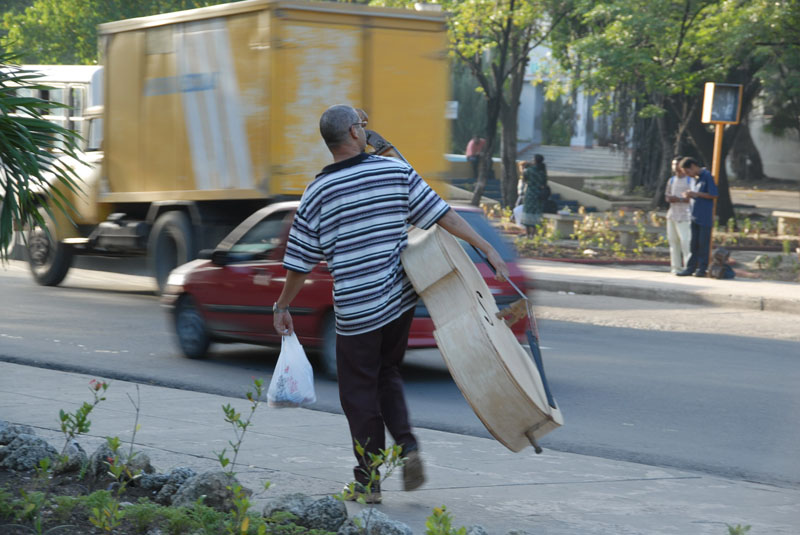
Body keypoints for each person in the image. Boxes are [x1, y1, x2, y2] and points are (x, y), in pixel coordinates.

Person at [272, 105, 509, 504]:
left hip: (356, 310)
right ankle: (408, 444)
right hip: (399, 303)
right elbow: (442, 216)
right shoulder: (395, 172)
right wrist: (486, 247)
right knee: (388, 375)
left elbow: (298, 263)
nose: (367, 131)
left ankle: (368, 482)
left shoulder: (316, 193)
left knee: (358, 393)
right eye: (362, 127)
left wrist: (282, 306)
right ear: (353, 131)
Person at [676, 157, 718, 277]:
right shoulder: (695, 179)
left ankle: (702, 269)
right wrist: (690, 194)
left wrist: (696, 194)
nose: (688, 175)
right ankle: (690, 268)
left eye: (688, 172)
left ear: (693, 166)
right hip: (694, 215)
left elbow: (713, 194)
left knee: (703, 244)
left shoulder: (707, 176)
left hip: (705, 216)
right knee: (693, 244)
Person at [664, 156, 692, 274]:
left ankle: (688, 267)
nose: (675, 167)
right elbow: (667, 195)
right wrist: (670, 199)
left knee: (685, 242)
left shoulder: (689, 180)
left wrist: (679, 199)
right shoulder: (671, 180)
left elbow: (692, 198)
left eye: (677, 164)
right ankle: (676, 267)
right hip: (672, 214)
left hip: (685, 215)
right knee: (673, 242)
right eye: (673, 164)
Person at [516, 154, 548, 238]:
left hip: (530, 194)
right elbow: (544, 183)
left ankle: (527, 234)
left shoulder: (529, 171)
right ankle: (533, 234)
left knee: (527, 213)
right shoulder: (542, 171)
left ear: (535, 161)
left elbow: (524, 179)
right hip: (539, 195)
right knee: (535, 213)